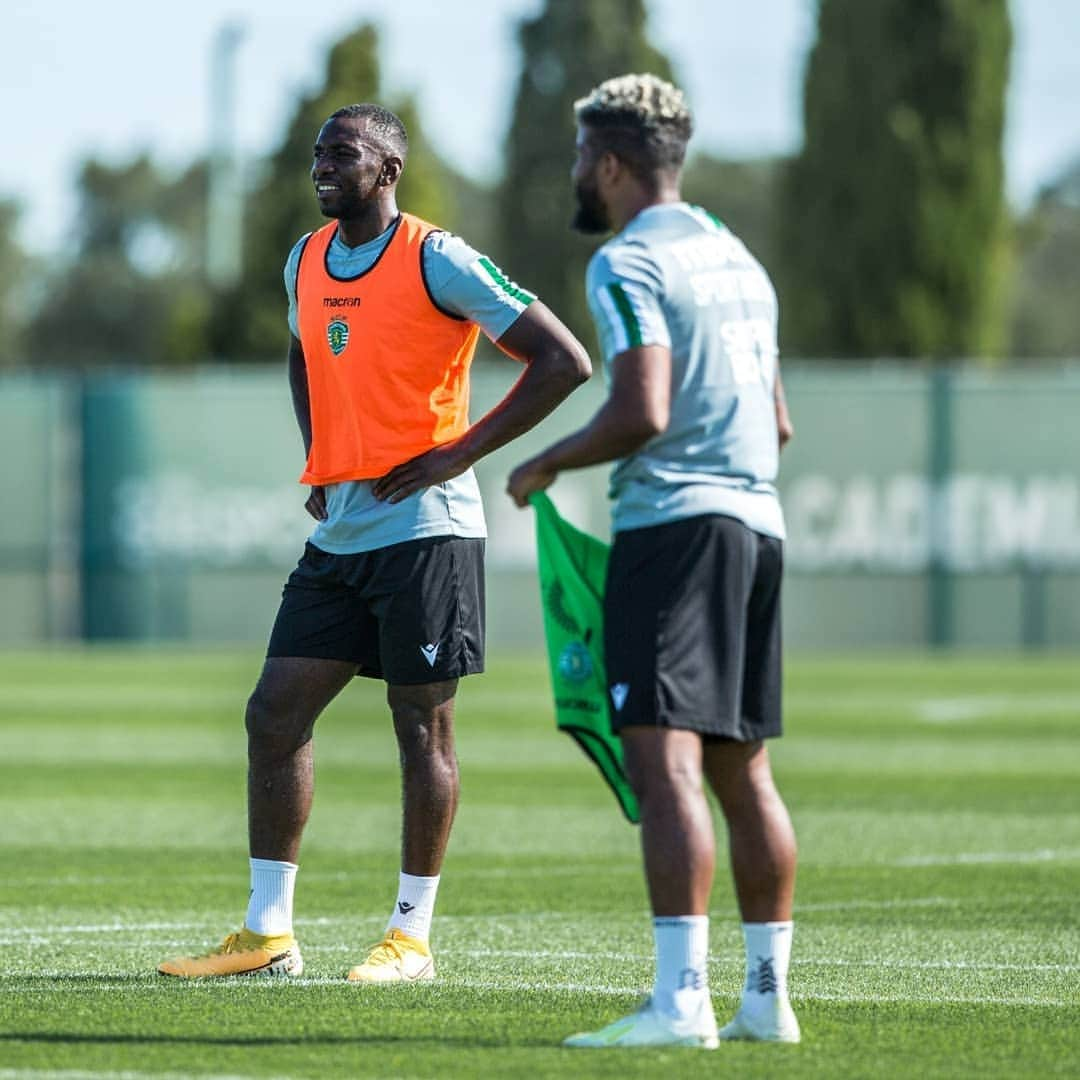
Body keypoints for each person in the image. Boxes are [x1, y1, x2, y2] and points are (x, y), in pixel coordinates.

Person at [158, 103, 591, 982]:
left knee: (419, 728)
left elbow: (562, 361)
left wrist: (457, 454)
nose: (322, 166)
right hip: (344, 534)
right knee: (273, 716)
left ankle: (410, 938)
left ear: (388, 169)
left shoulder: (437, 257)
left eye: (342, 153)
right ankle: (268, 933)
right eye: (317, 153)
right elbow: (302, 352)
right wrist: (317, 456)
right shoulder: (305, 259)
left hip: (427, 534)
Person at [508, 74, 799, 1048]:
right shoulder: (741, 257)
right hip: (758, 526)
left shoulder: (626, 262)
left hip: (677, 531)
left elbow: (643, 410)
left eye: (585, 156)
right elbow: (781, 420)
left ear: (617, 163)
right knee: (742, 769)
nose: (579, 173)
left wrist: (545, 459)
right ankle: (767, 1000)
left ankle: (681, 1005)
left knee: (662, 758)